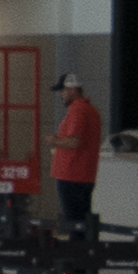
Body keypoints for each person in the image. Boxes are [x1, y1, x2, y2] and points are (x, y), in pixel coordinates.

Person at [46, 74, 107, 224]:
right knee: (83, 220)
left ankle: (77, 248)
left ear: (73, 89)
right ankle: (87, 247)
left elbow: (74, 142)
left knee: (74, 223)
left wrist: (54, 141)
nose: (61, 94)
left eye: (63, 90)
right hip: (85, 174)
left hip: (71, 174)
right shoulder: (91, 110)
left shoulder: (78, 110)